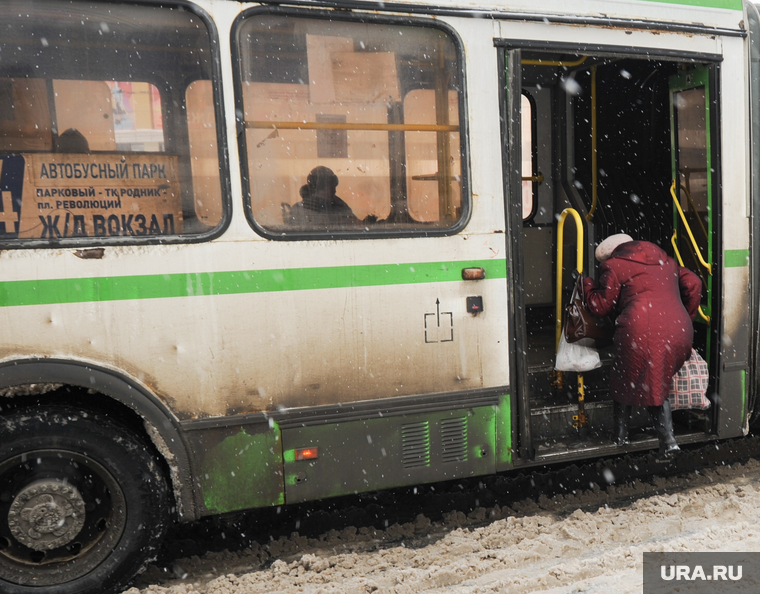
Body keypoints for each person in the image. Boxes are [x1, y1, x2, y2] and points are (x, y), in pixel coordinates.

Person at [581, 233, 702, 458]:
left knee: (637, 379)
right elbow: (694, 283)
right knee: (652, 378)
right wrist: (686, 315)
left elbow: (600, 306)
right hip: (679, 329)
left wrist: (586, 284)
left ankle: (664, 441)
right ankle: (632, 436)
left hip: (641, 330)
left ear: (612, 253)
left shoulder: (613, 265)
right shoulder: (667, 261)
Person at [287, 166, 360, 227]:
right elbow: (353, 225)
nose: (334, 191)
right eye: (332, 187)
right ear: (324, 187)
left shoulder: (297, 209)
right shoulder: (334, 209)